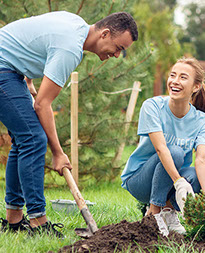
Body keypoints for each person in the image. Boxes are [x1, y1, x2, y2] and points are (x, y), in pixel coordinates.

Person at [0, 11, 138, 237]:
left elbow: (34, 37)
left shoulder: (75, 24)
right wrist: (58, 153)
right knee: (33, 138)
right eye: (118, 48)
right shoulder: (70, 48)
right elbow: (42, 105)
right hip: (3, 68)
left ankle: (13, 221)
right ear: (104, 33)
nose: (116, 55)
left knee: (24, 139)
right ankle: (38, 223)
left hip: (10, 68)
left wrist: (28, 78)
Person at [121, 57, 205, 235]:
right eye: (172, 75)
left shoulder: (201, 120)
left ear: (196, 87)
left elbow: (202, 159)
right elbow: (161, 149)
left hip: (169, 180)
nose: (175, 81)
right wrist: (179, 182)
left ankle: (168, 211)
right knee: (175, 151)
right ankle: (153, 213)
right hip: (140, 180)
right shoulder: (152, 106)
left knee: (196, 176)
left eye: (183, 77)